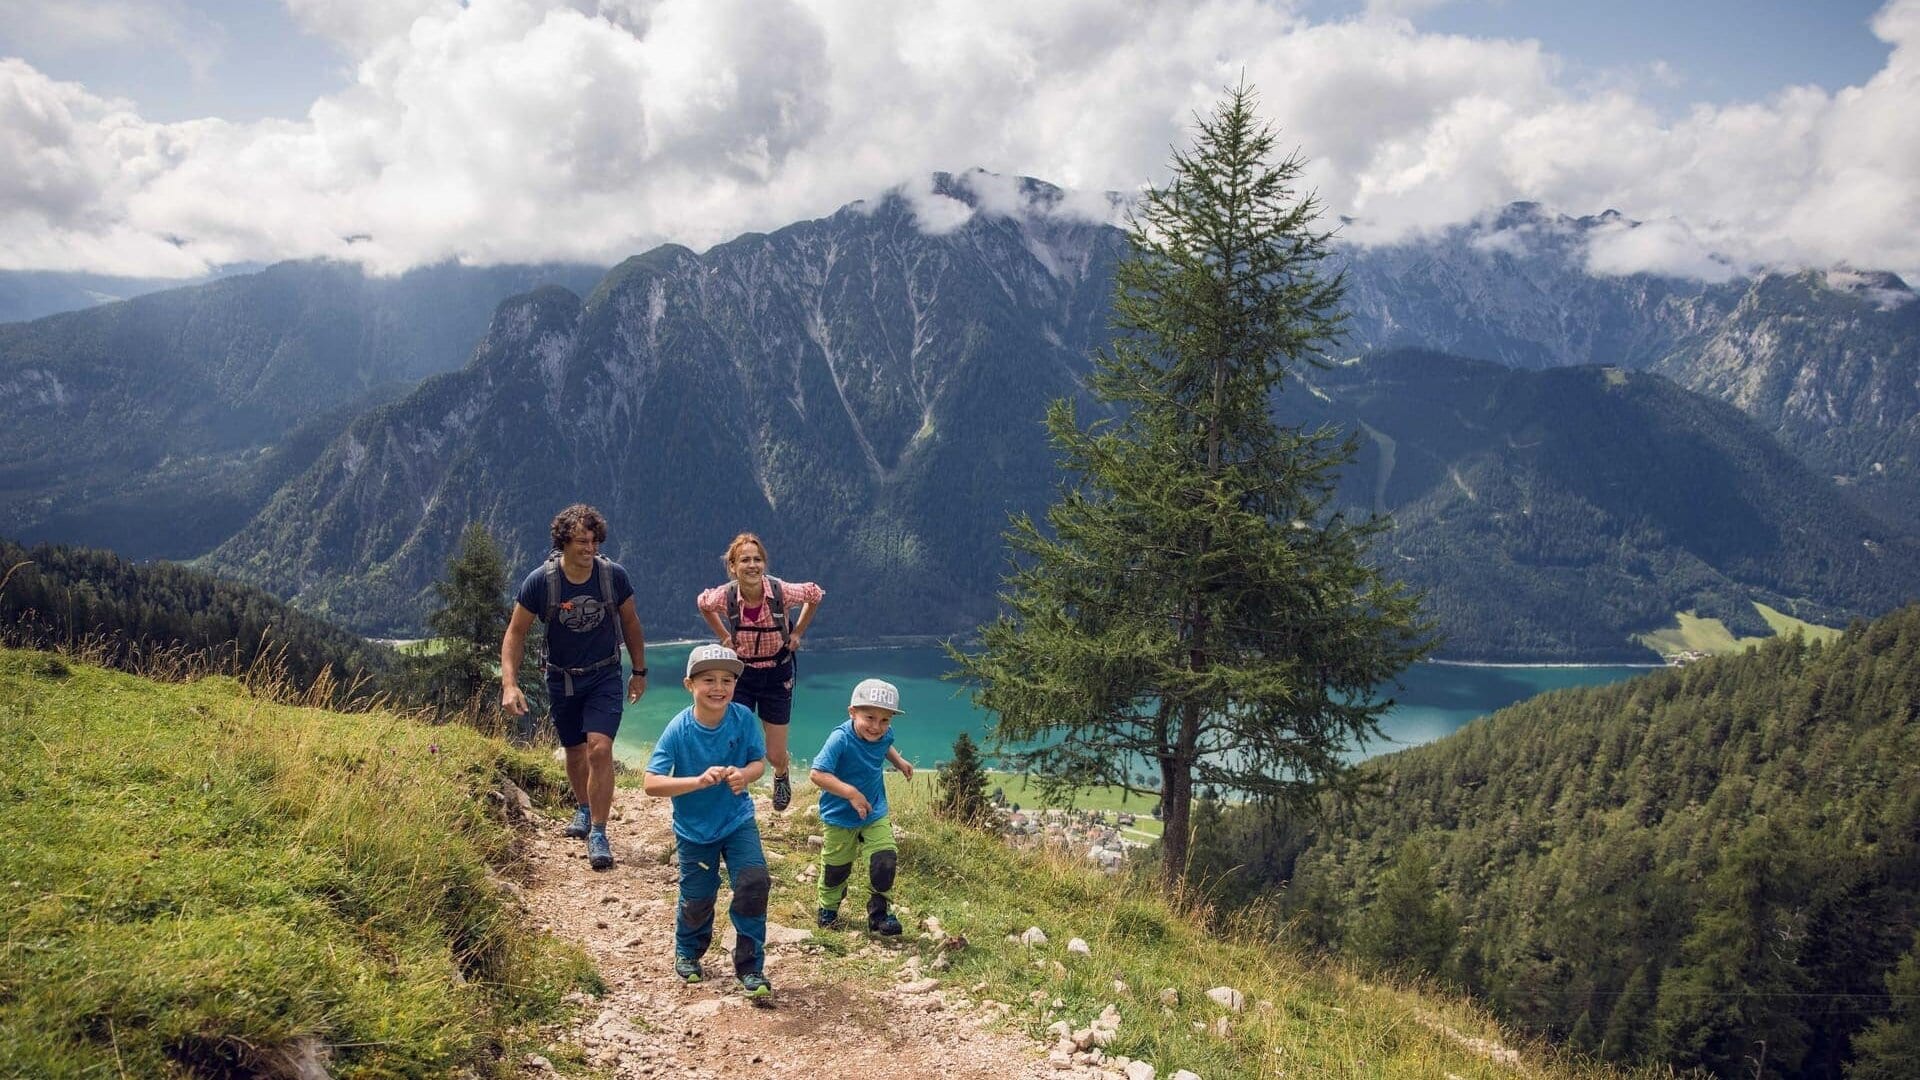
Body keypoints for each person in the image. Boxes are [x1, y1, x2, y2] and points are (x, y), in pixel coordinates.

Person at [501, 504, 648, 871]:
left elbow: (631, 623)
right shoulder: (542, 581)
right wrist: (509, 683)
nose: (590, 547)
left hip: (604, 675)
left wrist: (639, 670)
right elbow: (516, 633)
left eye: (594, 540)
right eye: (582, 541)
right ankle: (583, 807)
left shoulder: (613, 576)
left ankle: (599, 831)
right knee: (575, 752)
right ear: (563, 541)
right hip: (562, 677)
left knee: (599, 748)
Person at [644, 644, 774, 1002]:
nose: (719, 687)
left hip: (737, 820)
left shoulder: (743, 718)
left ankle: (750, 967)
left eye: (727, 680)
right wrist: (696, 782)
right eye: (708, 680)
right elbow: (651, 782)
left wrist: (744, 776)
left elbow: (757, 762)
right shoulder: (678, 730)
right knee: (698, 897)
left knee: (753, 882)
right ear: (690, 685)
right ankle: (688, 952)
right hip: (694, 830)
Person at [695, 532, 823, 812]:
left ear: (764, 563)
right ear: (732, 567)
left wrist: (798, 632)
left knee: (775, 754)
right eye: (745, 560)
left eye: (757, 559)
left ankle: (781, 773)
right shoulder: (725, 596)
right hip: (742, 676)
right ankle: (732, 800)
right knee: (734, 740)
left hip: (778, 675)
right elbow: (703, 603)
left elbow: (815, 593)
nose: (752, 565)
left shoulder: (780, 593)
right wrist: (724, 636)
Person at [808, 678, 913, 934]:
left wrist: (899, 761)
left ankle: (880, 914)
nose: (877, 727)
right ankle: (828, 909)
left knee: (884, 860)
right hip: (840, 815)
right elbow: (817, 774)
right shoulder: (840, 739)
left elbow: (885, 744)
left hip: (875, 810)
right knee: (836, 868)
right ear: (852, 712)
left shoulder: (885, 733)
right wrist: (851, 793)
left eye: (885, 719)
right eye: (869, 717)